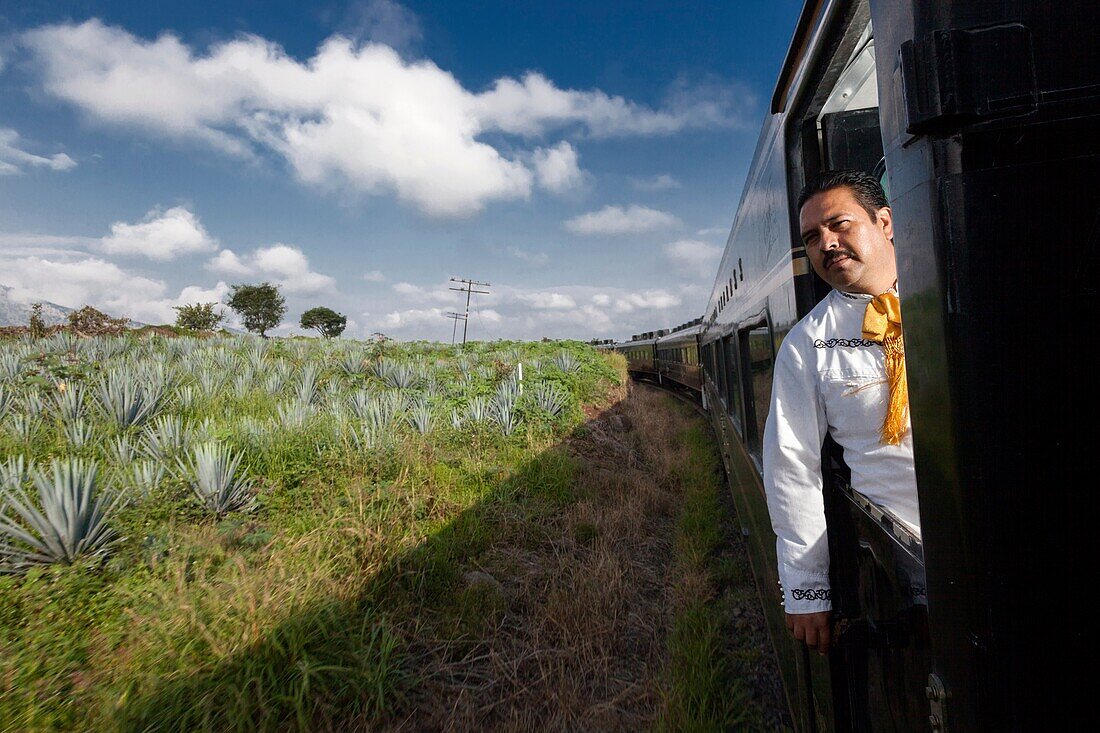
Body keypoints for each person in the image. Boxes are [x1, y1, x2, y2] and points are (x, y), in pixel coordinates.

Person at [763, 169, 922, 655]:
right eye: (812, 237)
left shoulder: (955, 287)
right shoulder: (806, 345)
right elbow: (792, 466)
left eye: (840, 225)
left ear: (885, 221)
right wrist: (805, 589)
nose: (826, 244)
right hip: (907, 564)